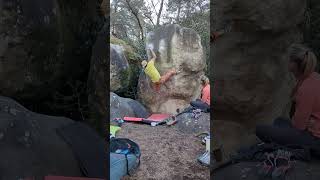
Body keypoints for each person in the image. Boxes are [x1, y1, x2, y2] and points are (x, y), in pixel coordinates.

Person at [256, 44, 320, 156]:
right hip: (312, 130)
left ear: (296, 64)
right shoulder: (314, 76)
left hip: (314, 139)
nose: (287, 62)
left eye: (289, 60)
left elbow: (299, 125)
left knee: (260, 129)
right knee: (279, 121)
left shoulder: (305, 88)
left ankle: (297, 149)